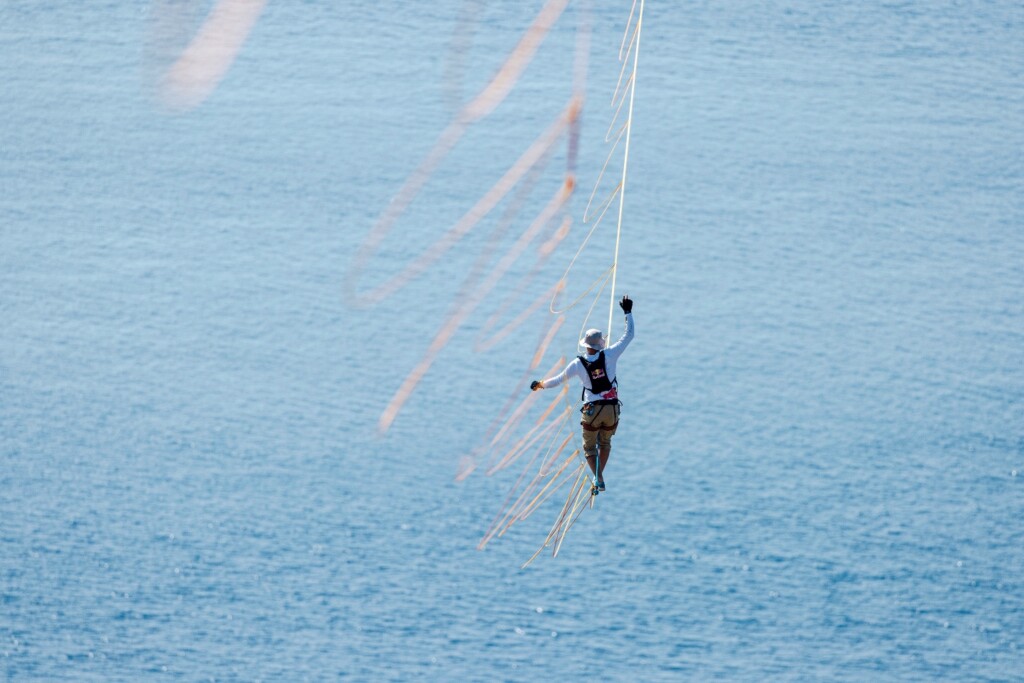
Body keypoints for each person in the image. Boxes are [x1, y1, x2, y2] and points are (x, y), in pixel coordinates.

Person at [531, 295, 634, 495]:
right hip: (612, 408)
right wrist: (628, 312)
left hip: (592, 410)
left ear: (586, 344)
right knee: (605, 442)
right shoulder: (611, 354)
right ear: (601, 344)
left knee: (589, 448)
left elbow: (558, 380)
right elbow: (629, 335)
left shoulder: (578, 364)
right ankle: (599, 477)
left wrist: (540, 384)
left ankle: (598, 477)